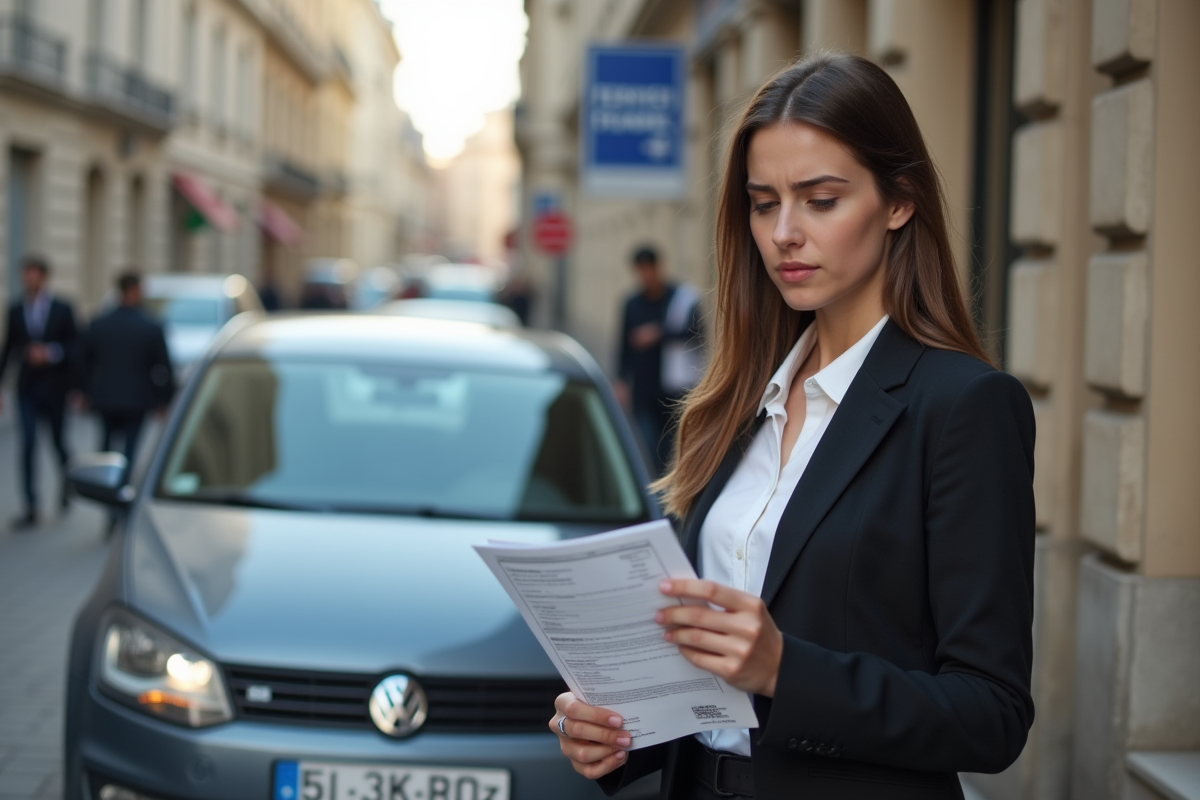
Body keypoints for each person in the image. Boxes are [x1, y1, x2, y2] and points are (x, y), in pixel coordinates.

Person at [552, 53, 1035, 800]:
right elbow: (703, 684)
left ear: (899, 201)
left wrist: (785, 671)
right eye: (763, 201)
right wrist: (617, 733)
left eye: (820, 199)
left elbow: (991, 714)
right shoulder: (737, 399)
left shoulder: (964, 406)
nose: (784, 233)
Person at [74, 272, 174, 495]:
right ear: (136, 290)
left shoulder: (99, 323)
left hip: (105, 398)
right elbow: (164, 368)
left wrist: (82, 391)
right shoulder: (150, 326)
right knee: (129, 452)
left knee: (106, 447)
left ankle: (105, 492)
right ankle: (121, 491)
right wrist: (164, 400)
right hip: (137, 400)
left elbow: (82, 361)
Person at [0, 256, 78, 530]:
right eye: (25, 275)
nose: (28, 280)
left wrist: (50, 353)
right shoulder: (15, 309)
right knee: (28, 444)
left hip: (55, 388)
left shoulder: (63, 309)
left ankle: (67, 488)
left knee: (58, 443)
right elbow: (8, 349)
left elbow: (75, 346)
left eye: (33, 275)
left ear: (44, 278)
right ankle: (31, 505)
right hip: (28, 388)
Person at [616, 246, 703, 475]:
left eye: (649, 269)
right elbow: (623, 344)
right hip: (643, 389)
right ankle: (656, 494)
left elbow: (696, 334)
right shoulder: (632, 303)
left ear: (657, 268)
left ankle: (669, 490)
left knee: (672, 448)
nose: (646, 276)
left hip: (674, 389)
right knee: (647, 447)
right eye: (640, 271)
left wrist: (658, 333)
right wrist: (621, 380)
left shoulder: (679, 299)